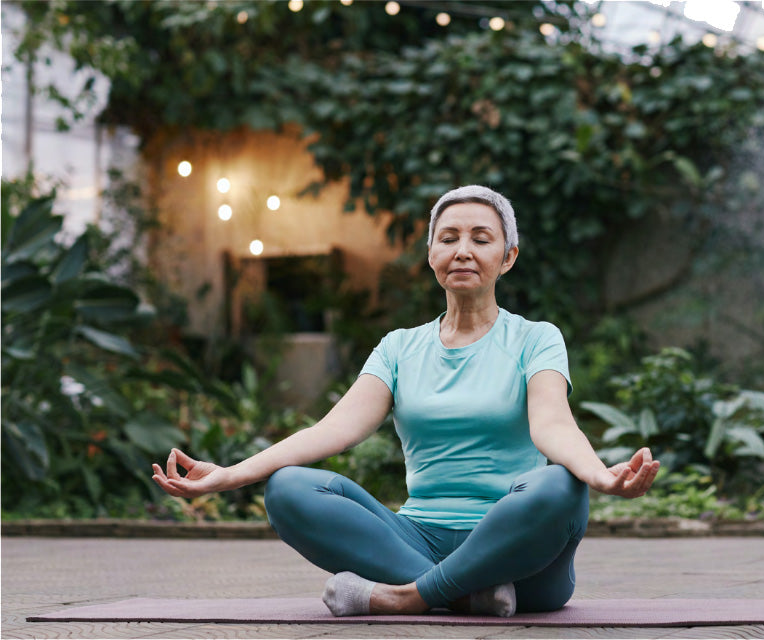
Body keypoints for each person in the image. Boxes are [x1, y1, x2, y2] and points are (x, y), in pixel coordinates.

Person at [152, 185, 660, 618]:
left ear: (507, 258)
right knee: (288, 489)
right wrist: (231, 475)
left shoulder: (536, 338)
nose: (463, 250)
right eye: (449, 238)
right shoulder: (399, 347)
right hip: (414, 539)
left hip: (520, 559)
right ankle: (466, 594)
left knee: (560, 487)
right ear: (431, 255)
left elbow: (552, 425)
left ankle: (403, 599)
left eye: (481, 239)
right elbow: (333, 431)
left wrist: (599, 476)